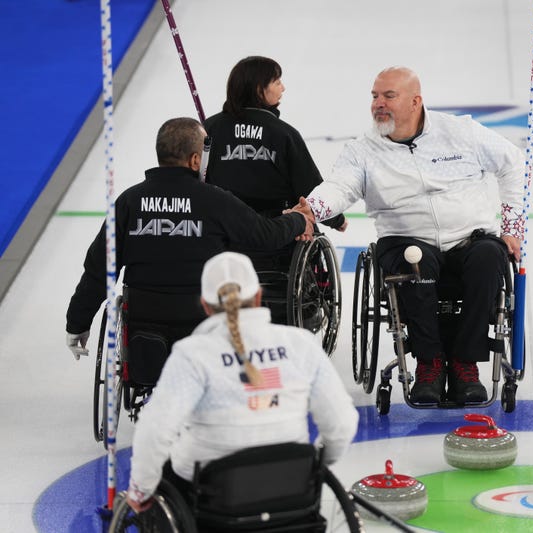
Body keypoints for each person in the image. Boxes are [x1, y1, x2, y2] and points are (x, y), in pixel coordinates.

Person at [302, 66, 525, 405]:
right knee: (415, 264)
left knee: (490, 257)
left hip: (469, 238)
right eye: (375, 96)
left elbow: (512, 162)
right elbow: (339, 187)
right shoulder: (362, 150)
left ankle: (465, 364)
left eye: (389, 96)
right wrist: (312, 209)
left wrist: (511, 229)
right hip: (406, 240)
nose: (379, 103)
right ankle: (430, 364)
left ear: (416, 101)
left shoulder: (460, 132)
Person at [65, 117, 314, 385]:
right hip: (203, 326)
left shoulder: (128, 202)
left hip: (144, 323)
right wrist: (298, 219)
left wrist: (77, 322)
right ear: (196, 160)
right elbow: (265, 235)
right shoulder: (216, 200)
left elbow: (99, 270)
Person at [124, 251, 359, 512]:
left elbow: (155, 430)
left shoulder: (192, 354)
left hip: (213, 496)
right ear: (258, 296)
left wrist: (140, 489)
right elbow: (342, 424)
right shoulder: (301, 343)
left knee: (168, 473)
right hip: (292, 487)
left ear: (204, 305)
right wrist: (316, 465)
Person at [203, 56, 347, 324]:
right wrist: (335, 218)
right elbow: (309, 188)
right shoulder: (282, 133)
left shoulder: (209, 130)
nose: (283, 88)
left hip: (222, 230)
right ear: (260, 90)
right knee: (305, 227)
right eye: (277, 81)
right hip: (276, 230)